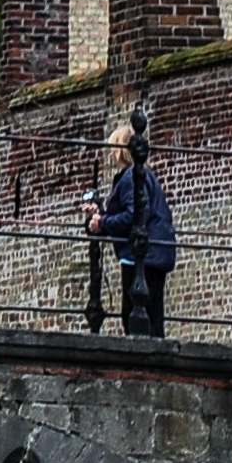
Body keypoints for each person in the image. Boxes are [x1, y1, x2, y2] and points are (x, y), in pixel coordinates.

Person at [82, 122, 175, 337]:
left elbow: (134, 216)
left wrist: (102, 223)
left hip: (143, 255)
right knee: (152, 317)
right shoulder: (143, 176)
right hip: (156, 252)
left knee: (135, 316)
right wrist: (101, 215)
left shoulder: (131, 177)